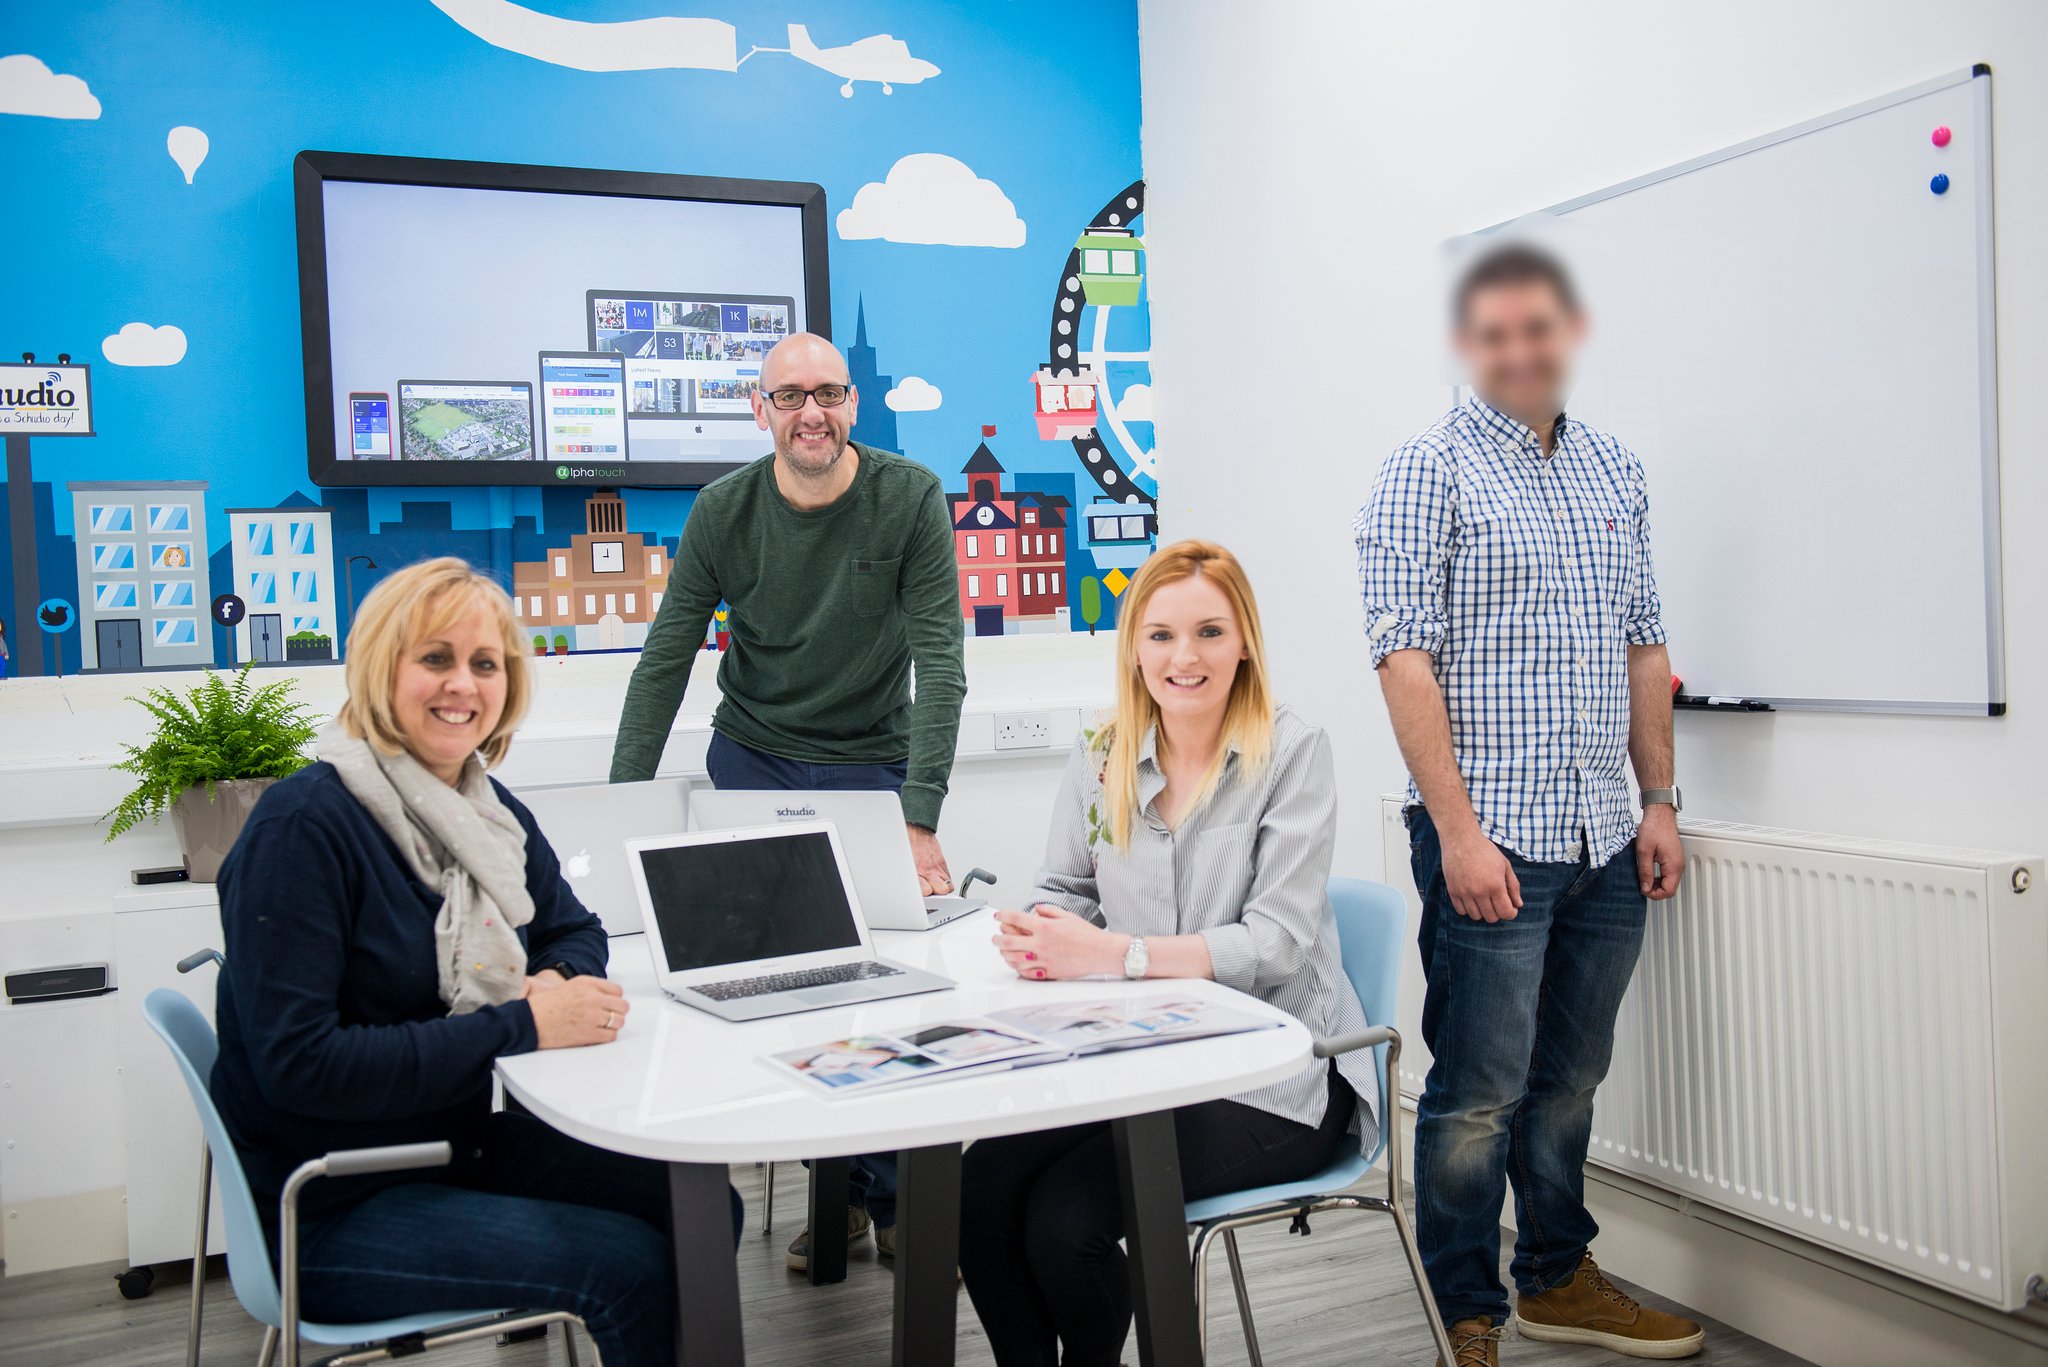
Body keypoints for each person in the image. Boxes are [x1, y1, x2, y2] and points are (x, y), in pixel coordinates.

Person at [211, 558, 740, 1367]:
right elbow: (301, 1065)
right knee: (627, 1266)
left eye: (485, 663)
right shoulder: (303, 827)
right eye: (436, 658)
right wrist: (523, 1024)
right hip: (332, 1196)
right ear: (381, 667)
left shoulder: (481, 810)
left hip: (448, 1141)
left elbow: (575, 928)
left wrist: (551, 983)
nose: (463, 683)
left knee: (704, 1207)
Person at [1355, 243, 1699, 1366]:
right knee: (1475, 1094)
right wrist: (1457, 834)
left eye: (1537, 329)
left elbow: (1644, 645)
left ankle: (1556, 1276)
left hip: (1605, 834)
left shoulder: (1614, 470)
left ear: (1566, 334)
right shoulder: (1425, 472)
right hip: (1490, 836)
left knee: (1569, 1081)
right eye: (1495, 333)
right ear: (1468, 345)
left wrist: (1657, 799)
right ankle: (1467, 1308)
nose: (1518, 350)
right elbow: (1403, 660)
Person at [959, 540, 1379, 1367]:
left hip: (1273, 1081)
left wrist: (1114, 953)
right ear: (1134, 648)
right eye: (1161, 635)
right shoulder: (1102, 752)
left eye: (1209, 632)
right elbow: (1065, 888)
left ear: (1244, 641)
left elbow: (1277, 942)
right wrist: (1046, 933)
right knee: (979, 1192)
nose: (1185, 657)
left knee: (1065, 1223)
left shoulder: (1293, 752)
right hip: (1141, 1061)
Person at [610, 331, 967, 1270]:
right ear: (759, 409)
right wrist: (620, 810)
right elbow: (664, 660)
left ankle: (893, 1198)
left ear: (852, 403)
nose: (812, 412)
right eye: (791, 396)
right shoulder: (723, 511)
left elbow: (942, 662)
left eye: (829, 393)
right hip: (754, 761)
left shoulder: (910, 496)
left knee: (884, 989)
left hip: (871, 764)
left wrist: (919, 814)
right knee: (780, 992)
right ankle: (839, 1193)